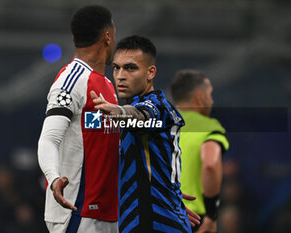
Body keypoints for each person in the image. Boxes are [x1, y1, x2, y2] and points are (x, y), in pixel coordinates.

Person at [92, 35, 200, 233]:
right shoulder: (139, 112)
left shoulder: (157, 106)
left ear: (150, 73)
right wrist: (166, 194)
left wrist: (121, 112)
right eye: (116, 67)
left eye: (130, 68)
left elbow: (142, 117)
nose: (120, 75)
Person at [37, 5, 119, 233]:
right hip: (78, 210)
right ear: (107, 36)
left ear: (74, 38)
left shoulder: (108, 85)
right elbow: (48, 140)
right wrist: (54, 179)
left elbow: (104, 142)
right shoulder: (71, 80)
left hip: (108, 213)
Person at [170, 70, 230, 233]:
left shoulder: (157, 123)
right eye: (210, 94)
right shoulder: (208, 126)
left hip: (154, 214)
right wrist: (211, 215)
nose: (211, 101)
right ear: (200, 96)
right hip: (192, 218)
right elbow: (210, 164)